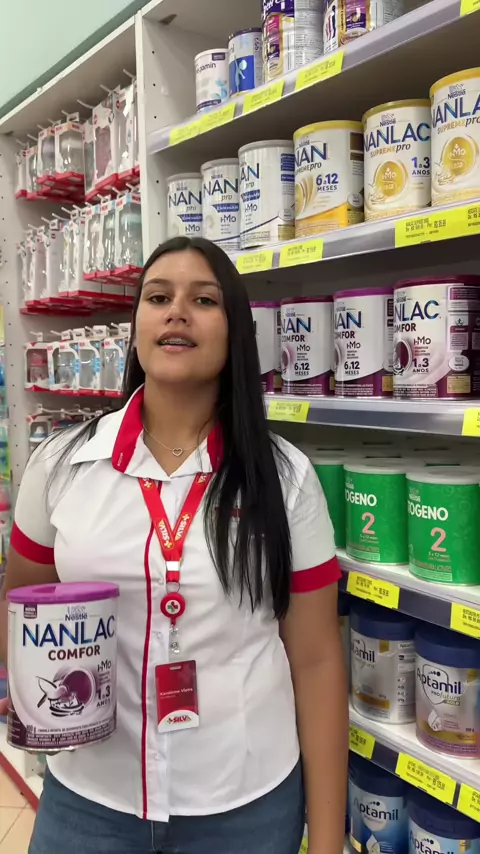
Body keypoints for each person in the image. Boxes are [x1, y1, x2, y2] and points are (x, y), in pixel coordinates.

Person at [0, 237, 348, 854]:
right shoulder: (60, 467)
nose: (177, 312)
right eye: (158, 298)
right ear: (136, 329)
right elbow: (17, 609)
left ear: (235, 332)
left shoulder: (285, 478)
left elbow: (317, 661)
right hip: (90, 800)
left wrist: (325, 841)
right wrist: (38, 698)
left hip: (244, 806)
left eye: (204, 300)